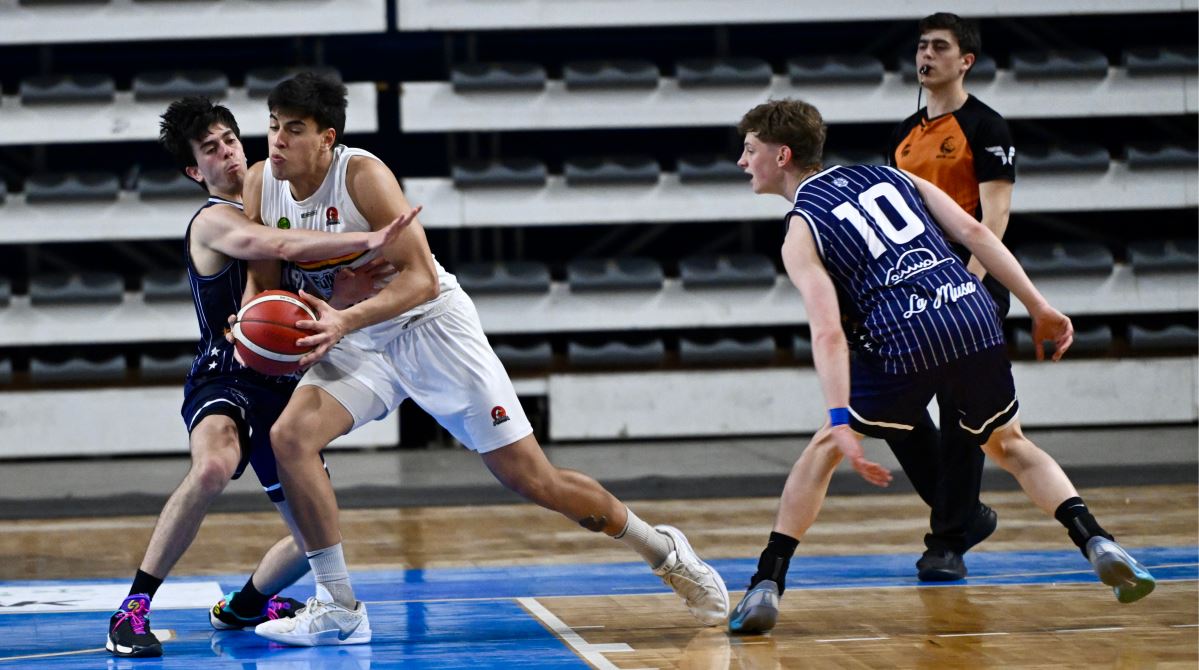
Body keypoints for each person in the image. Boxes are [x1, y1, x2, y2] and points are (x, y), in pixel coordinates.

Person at [231, 72, 729, 646]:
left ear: (327, 138)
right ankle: (338, 607)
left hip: (429, 329)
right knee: (290, 437)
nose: (277, 140)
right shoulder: (261, 182)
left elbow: (420, 279)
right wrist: (251, 324)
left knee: (533, 479)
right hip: (361, 340)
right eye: (273, 126)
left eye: (294, 129)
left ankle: (663, 550)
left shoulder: (362, 177)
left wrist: (345, 317)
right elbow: (262, 281)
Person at [725, 99, 1155, 635]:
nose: (743, 161)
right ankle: (1096, 540)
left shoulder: (800, 228)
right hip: (971, 310)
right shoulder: (892, 175)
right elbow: (977, 234)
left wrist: (839, 417)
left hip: (904, 331)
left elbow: (828, 331)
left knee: (822, 452)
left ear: (782, 155)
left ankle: (767, 582)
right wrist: (1039, 306)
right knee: (1010, 445)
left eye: (750, 150)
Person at [106, 97, 405, 658]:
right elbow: (276, 247)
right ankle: (132, 607)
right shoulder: (213, 221)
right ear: (195, 170)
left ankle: (244, 605)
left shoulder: (279, 205)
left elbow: (303, 297)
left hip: (283, 384)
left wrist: (344, 295)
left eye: (230, 139)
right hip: (225, 374)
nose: (228, 153)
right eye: (211, 148)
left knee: (313, 533)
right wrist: (365, 238)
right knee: (213, 466)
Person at [881, 12, 1018, 581]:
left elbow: (995, 216)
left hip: (971, 282)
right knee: (891, 407)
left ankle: (947, 543)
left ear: (966, 61)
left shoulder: (987, 127)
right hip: (913, 285)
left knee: (961, 416)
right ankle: (965, 514)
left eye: (940, 47)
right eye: (922, 46)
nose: (926, 55)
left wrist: (970, 284)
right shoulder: (904, 135)